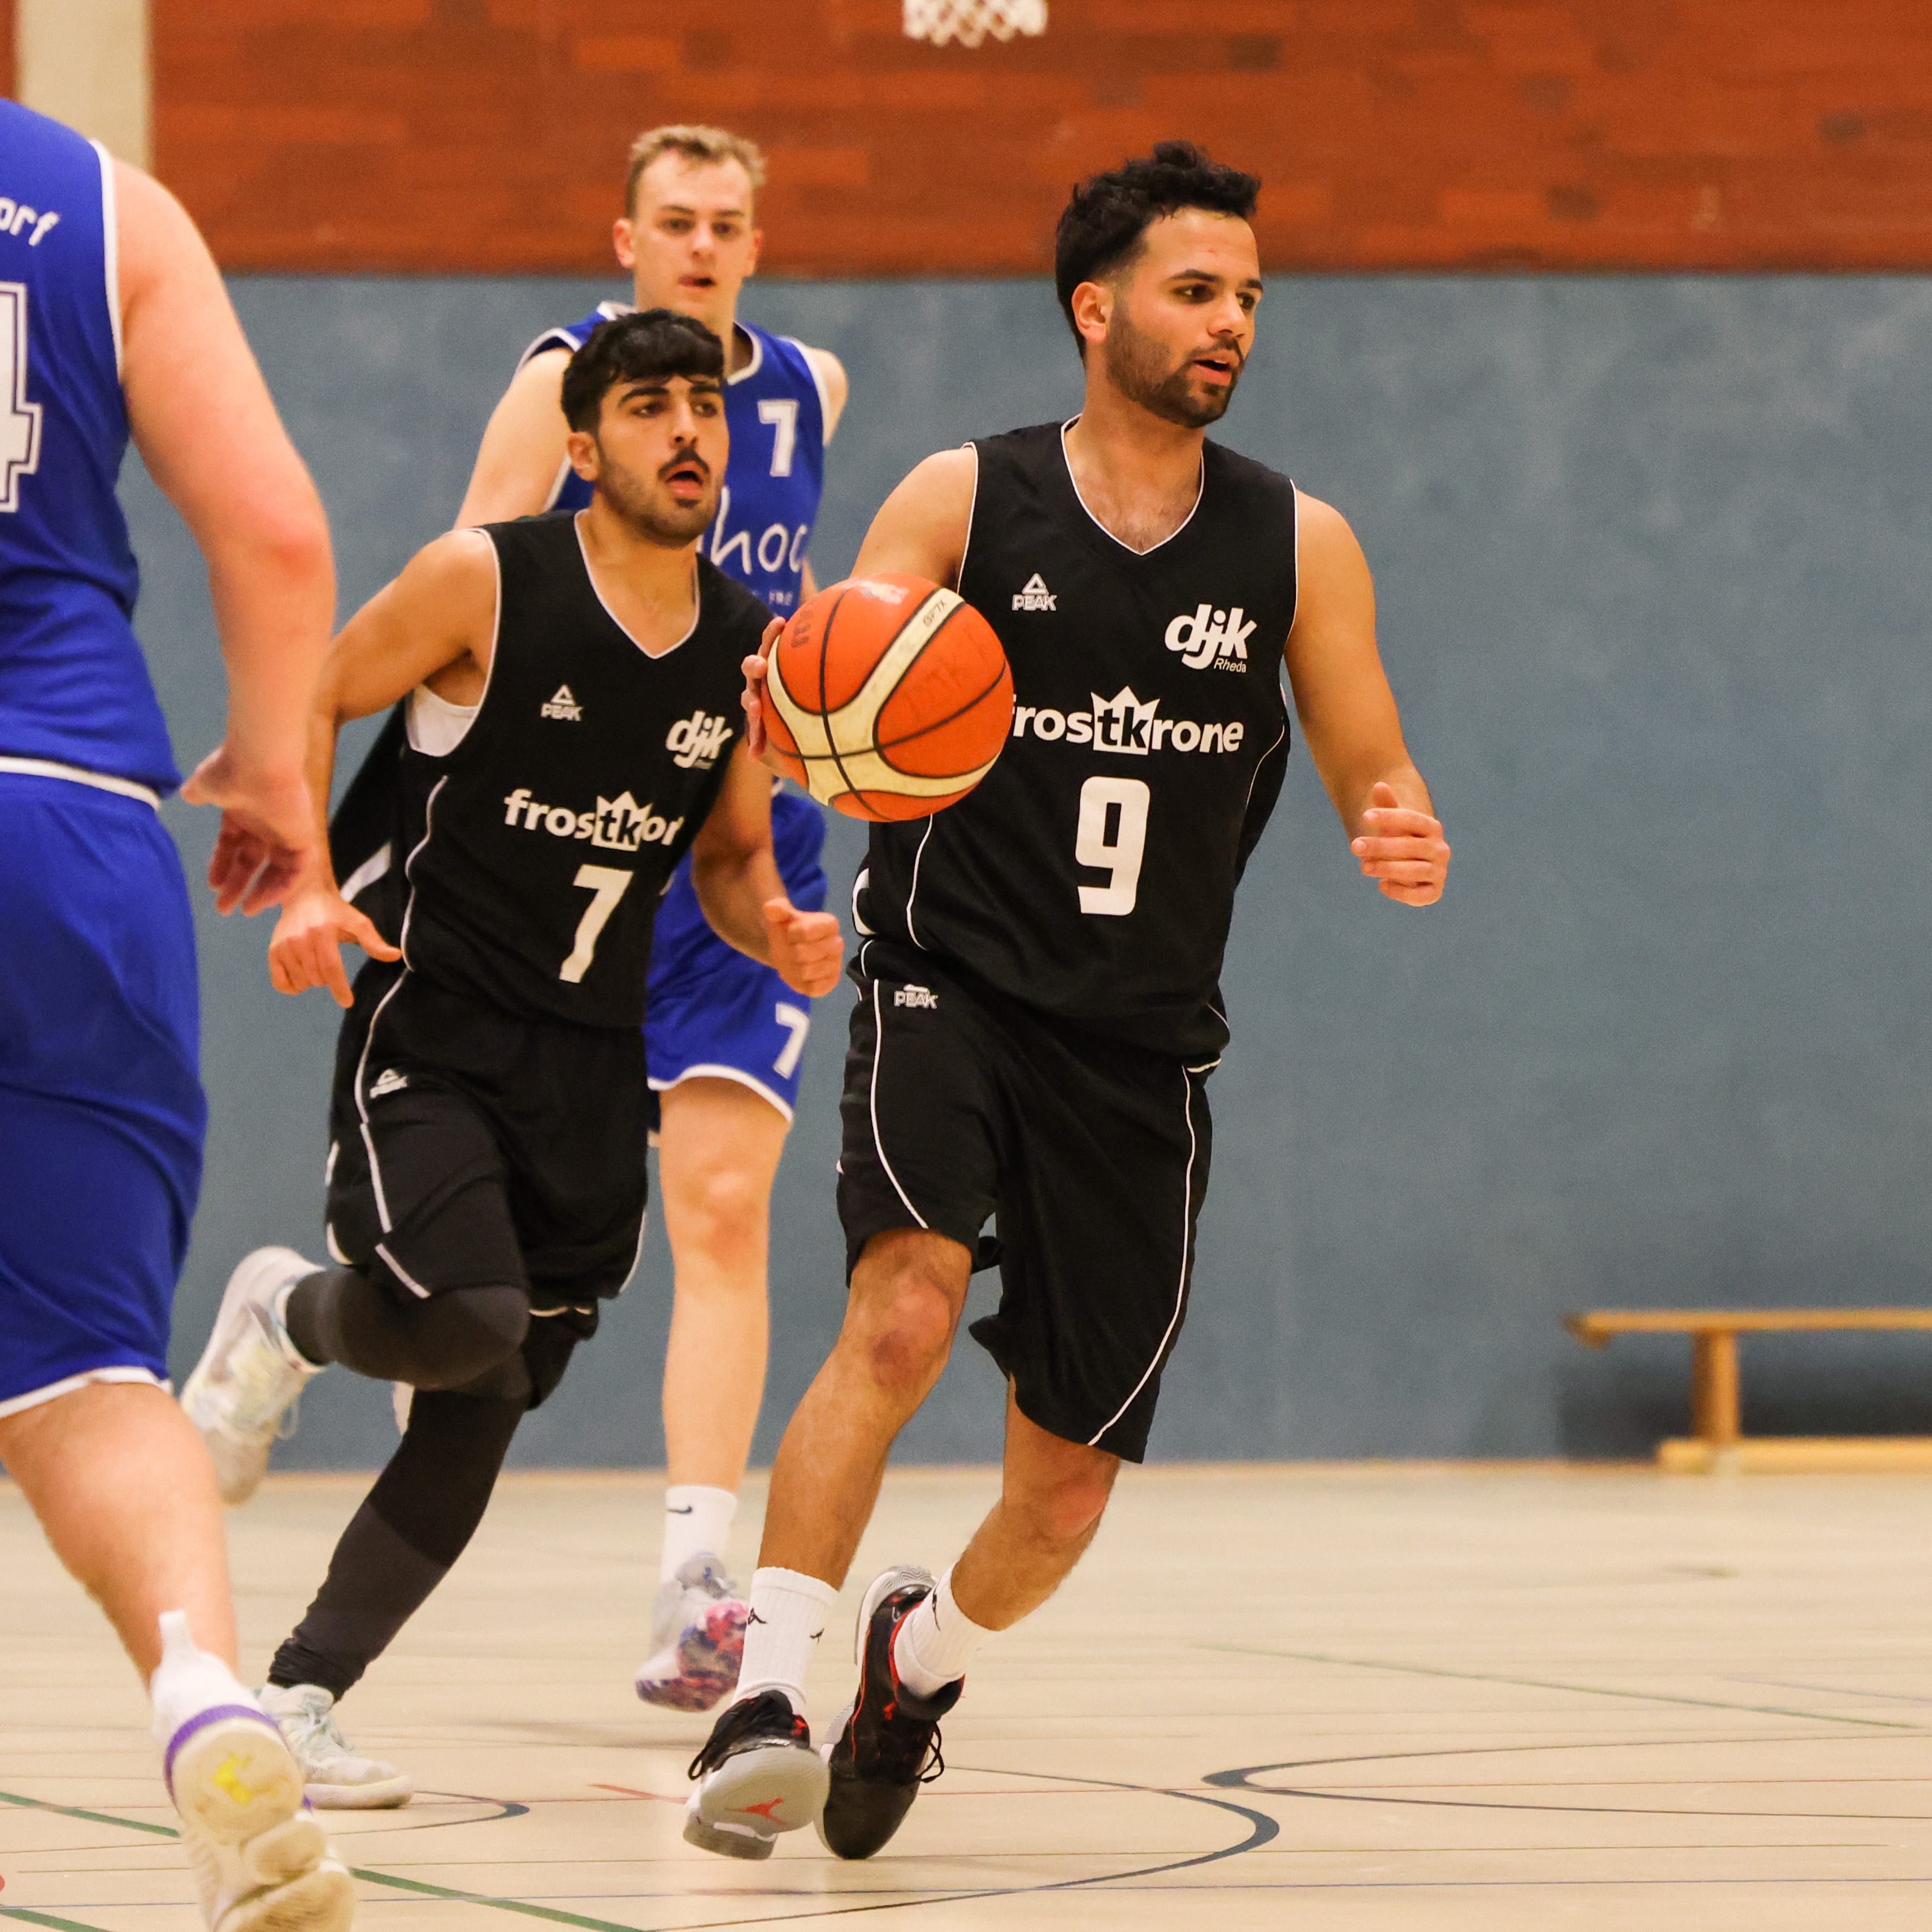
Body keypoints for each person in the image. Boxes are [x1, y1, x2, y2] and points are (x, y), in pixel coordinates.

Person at [683, 143, 1453, 1864]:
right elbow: (833, 692)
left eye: (1248, 296)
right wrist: (798, 715)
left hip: (1143, 1048)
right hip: (948, 983)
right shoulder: (963, 500)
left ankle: (912, 1668)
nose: (1231, 320)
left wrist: (1394, 820)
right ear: (1095, 310)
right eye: (1197, 290)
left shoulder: (1298, 543)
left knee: (1065, 1493)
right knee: (898, 1314)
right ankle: (768, 1696)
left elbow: (1370, 754)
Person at [179, 310, 843, 1810]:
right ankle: (288, 1311)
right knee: (468, 1316)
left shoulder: (743, 646)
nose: (689, 430)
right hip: (437, 1028)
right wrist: (306, 884)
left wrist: (778, 928)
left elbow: (729, 856)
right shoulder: (486, 579)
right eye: (651, 406)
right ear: (585, 446)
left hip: (592, 1068)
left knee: (488, 1391)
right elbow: (316, 691)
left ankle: (296, 1699)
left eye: (705, 405)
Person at [337, 122, 845, 1712]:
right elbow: (469, 594)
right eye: (676, 221)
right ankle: (327, 1327)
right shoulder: (561, 379)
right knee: (490, 1329)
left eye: (728, 223)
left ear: (756, 243)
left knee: (722, 1209)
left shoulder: (810, 389)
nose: (703, 246)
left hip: (733, 824)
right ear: (626, 241)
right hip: (559, 838)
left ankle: (699, 1585)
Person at [0, 102, 354, 1930]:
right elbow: (277, 533)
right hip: (72, 816)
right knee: (87, 1373)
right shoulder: (103, 204)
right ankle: (204, 1691)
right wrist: (281, 773)